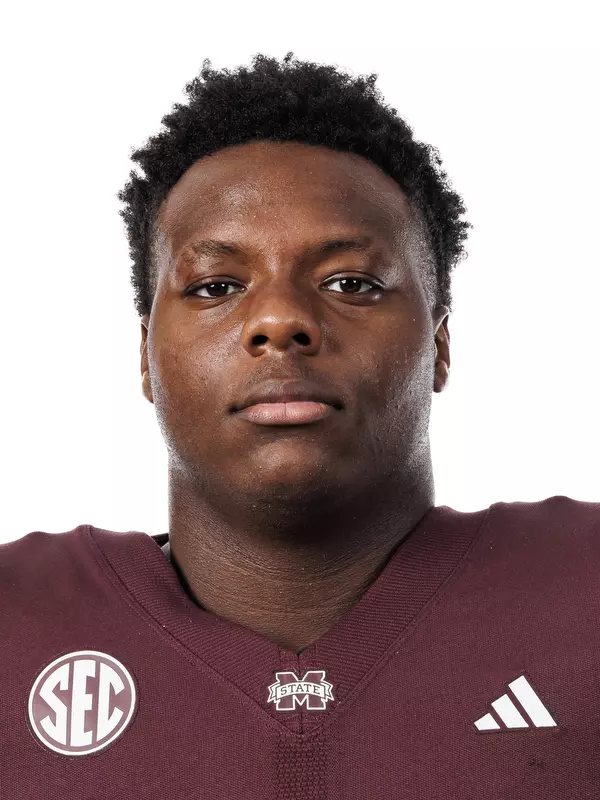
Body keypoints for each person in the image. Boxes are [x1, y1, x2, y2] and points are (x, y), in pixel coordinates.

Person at [2, 52, 598, 799]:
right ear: (146, 358)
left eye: (351, 282)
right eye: (218, 286)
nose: (280, 320)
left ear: (440, 345)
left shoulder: (585, 588)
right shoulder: (16, 620)